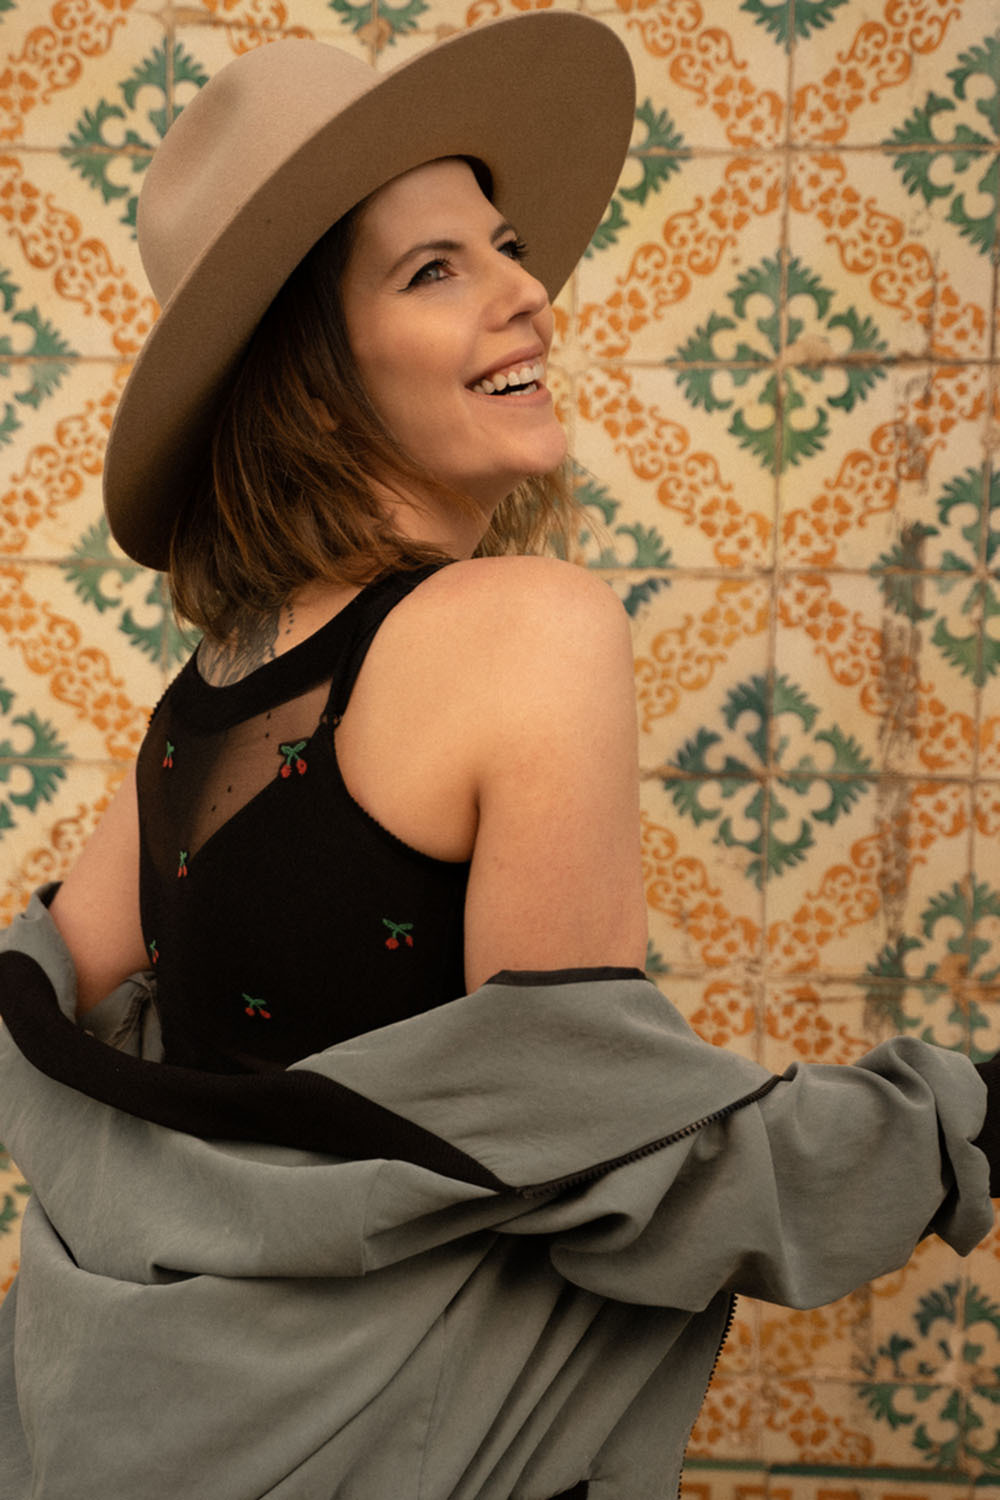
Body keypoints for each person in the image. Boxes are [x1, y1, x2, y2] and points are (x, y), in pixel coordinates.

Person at [0, 14, 996, 1500]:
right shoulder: (530, 626)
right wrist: (960, 1122)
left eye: (506, 247)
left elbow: (41, 1016)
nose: (529, 292)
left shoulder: (206, 694)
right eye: (433, 269)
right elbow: (620, 1162)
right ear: (308, 372)